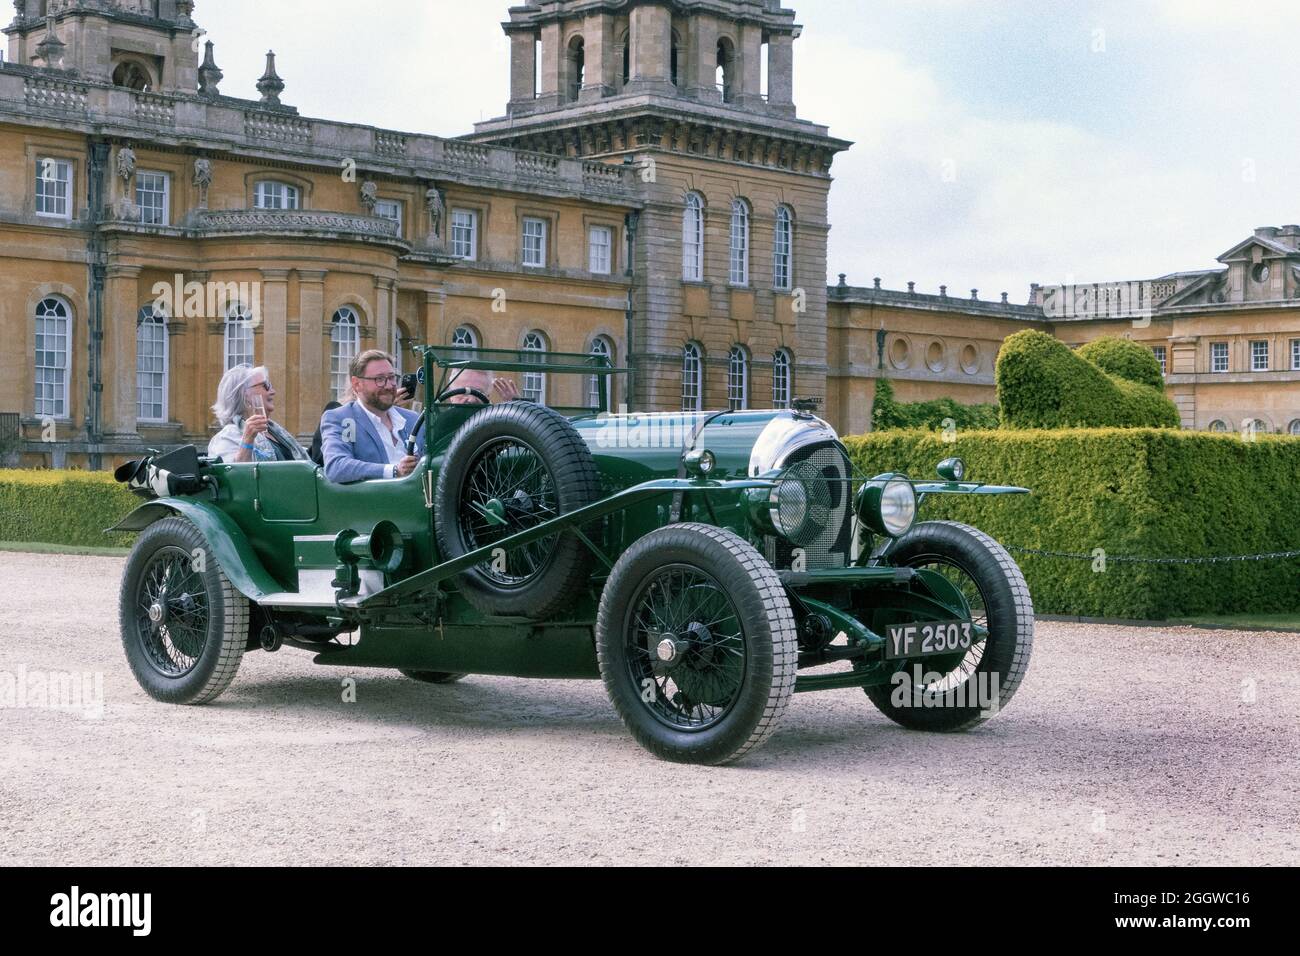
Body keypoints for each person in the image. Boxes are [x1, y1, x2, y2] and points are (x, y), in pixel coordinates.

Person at [320, 350, 427, 483]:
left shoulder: (413, 419)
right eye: (379, 379)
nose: (389, 386)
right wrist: (394, 471)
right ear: (357, 384)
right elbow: (336, 467)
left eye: (392, 377)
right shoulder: (343, 419)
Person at [208, 364, 308, 462]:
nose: (273, 391)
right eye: (265, 386)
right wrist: (247, 441)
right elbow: (233, 475)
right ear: (244, 394)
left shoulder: (274, 431)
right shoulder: (228, 437)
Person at [442, 367, 521, 405]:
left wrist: (516, 409)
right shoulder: (436, 425)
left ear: (488, 396)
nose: (471, 399)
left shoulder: (495, 426)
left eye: (478, 393)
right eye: (464, 391)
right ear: (451, 395)